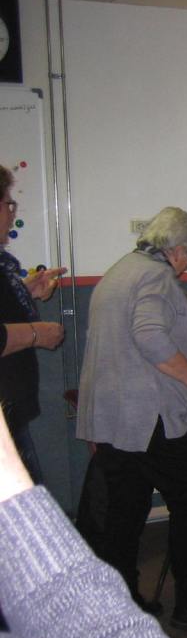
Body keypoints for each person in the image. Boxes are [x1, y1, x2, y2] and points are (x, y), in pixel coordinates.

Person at [0, 410, 187, 638]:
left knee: (125, 510)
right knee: (177, 501)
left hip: (126, 421)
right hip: (143, 415)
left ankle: (150, 596)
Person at [76, 207, 187, 632]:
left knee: (125, 512)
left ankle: (123, 601)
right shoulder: (156, 276)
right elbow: (149, 336)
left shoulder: (119, 272)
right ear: (178, 249)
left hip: (116, 417)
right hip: (150, 416)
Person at [0, 164, 67, 483]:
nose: (12, 213)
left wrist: (24, 291)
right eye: (9, 203)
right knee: (24, 504)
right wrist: (37, 334)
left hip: (10, 412)